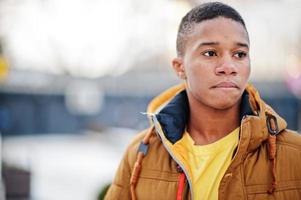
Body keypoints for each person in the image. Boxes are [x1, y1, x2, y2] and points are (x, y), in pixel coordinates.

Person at [105, 2, 301, 200]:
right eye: (210, 53)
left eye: (239, 54)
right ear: (180, 67)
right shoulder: (140, 154)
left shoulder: (295, 155)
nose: (228, 66)